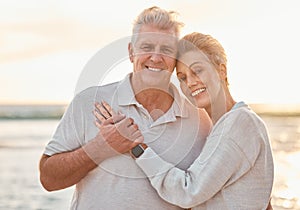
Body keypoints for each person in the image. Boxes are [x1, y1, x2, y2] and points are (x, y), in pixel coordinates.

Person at [39, 6, 211, 209]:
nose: (155, 58)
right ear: (131, 52)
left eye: (166, 49)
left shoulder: (199, 120)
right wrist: (100, 147)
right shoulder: (87, 102)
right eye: (147, 47)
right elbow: (49, 179)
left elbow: (201, 194)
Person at [96, 32, 274, 209]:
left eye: (197, 71)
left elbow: (189, 192)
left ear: (222, 71)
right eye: (182, 77)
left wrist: (136, 147)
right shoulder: (229, 125)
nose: (190, 82)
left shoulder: (239, 122)